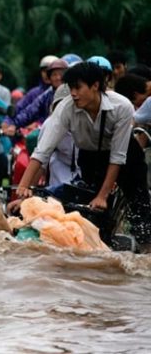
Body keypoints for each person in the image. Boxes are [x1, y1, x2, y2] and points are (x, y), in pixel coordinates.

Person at [16, 62, 151, 250]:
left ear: (95, 85)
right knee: (92, 211)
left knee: (140, 205)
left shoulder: (121, 106)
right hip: (89, 157)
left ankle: (145, 251)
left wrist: (103, 195)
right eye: (71, 88)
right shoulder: (66, 107)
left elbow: (118, 156)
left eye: (78, 87)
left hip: (126, 155)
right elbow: (43, 151)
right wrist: (23, 187)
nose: (73, 93)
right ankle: (100, 249)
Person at [3, 58, 67, 133]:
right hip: (47, 132)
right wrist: (13, 124)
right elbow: (29, 111)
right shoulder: (45, 94)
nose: (58, 78)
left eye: (61, 74)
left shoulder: (72, 93)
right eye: (54, 74)